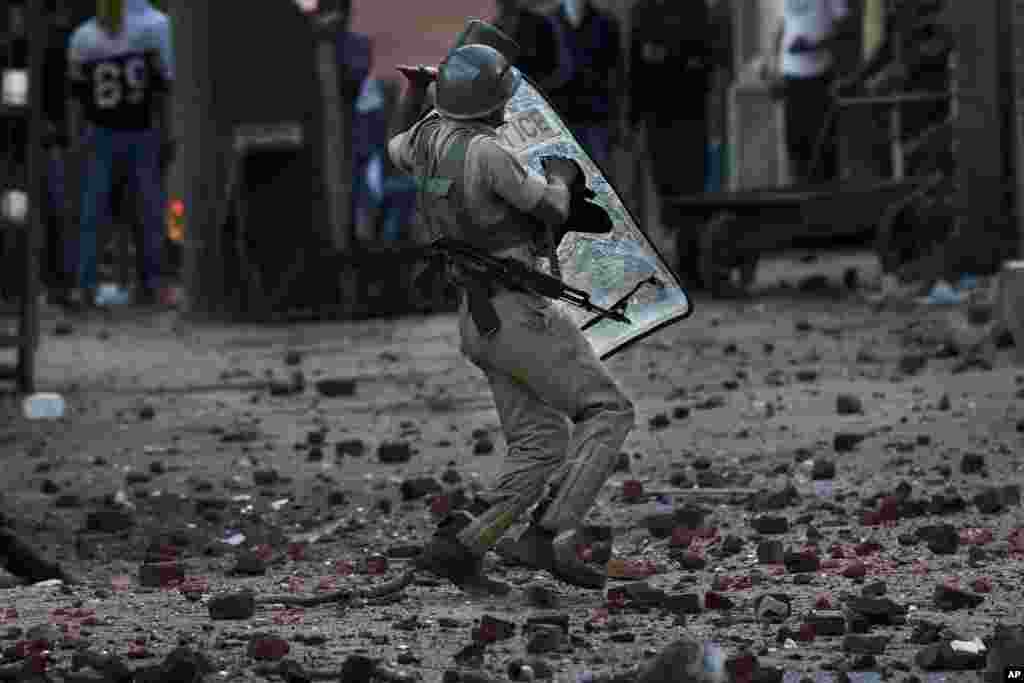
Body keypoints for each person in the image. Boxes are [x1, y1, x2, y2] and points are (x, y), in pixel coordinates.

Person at [388, 43, 635, 594]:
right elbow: (548, 209)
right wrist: (566, 181)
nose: (508, 106)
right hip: (518, 313)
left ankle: (463, 545)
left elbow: (393, 144)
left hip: (478, 322)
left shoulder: (423, 142)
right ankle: (547, 535)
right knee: (608, 411)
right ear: (487, 102)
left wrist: (412, 94)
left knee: (540, 442)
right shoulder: (487, 154)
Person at [66, 0, 174, 309]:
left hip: (120, 131)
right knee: (125, 209)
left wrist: (77, 138)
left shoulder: (85, 37)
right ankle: (143, 282)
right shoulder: (152, 27)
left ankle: (100, 283)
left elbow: (162, 88)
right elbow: (163, 88)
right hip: (121, 131)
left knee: (121, 210)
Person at [630, 0, 715, 198]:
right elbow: (637, 68)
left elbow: (705, 60)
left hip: (690, 109)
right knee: (663, 181)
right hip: (657, 110)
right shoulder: (643, 9)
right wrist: (632, 118)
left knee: (692, 179)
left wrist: (666, 55)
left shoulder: (695, 7)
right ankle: (671, 225)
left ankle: (688, 225)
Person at [768, 0, 850, 185]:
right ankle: (798, 198)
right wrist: (772, 68)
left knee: (823, 148)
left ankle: (825, 201)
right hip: (790, 78)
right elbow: (780, 28)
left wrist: (815, 45)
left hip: (819, 77)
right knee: (795, 148)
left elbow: (845, 28)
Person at [548, 0, 621, 173]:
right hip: (561, 116)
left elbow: (616, 74)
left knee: (600, 180)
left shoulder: (606, 22)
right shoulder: (547, 22)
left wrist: (618, 120)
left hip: (597, 115)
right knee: (563, 181)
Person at [493, 0, 573, 93]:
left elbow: (561, 68)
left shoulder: (541, 23)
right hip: (512, 95)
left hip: (543, 93)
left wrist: (537, 90)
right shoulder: (495, 28)